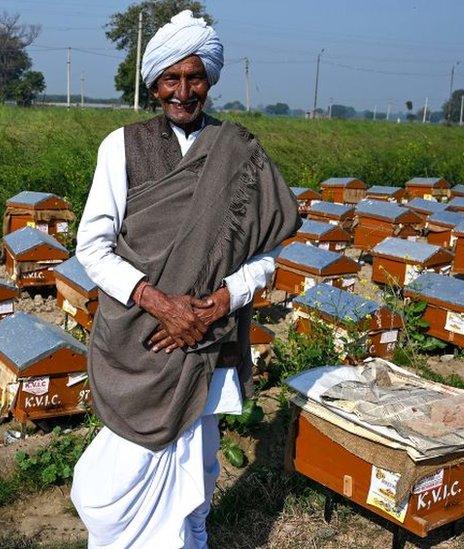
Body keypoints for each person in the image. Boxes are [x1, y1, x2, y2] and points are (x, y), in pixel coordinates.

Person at [70, 10, 301, 548]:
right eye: (170, 79)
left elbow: (268, 255)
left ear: (211, 80)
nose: (182, 91)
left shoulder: (240, 152)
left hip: (209, 342)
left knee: (196, 477)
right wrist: (161, 304)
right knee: (104, 493)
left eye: (194, 77)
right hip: (139, 340)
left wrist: (217, 304)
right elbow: (92, 247)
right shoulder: (120, 146)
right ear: (153, 83)